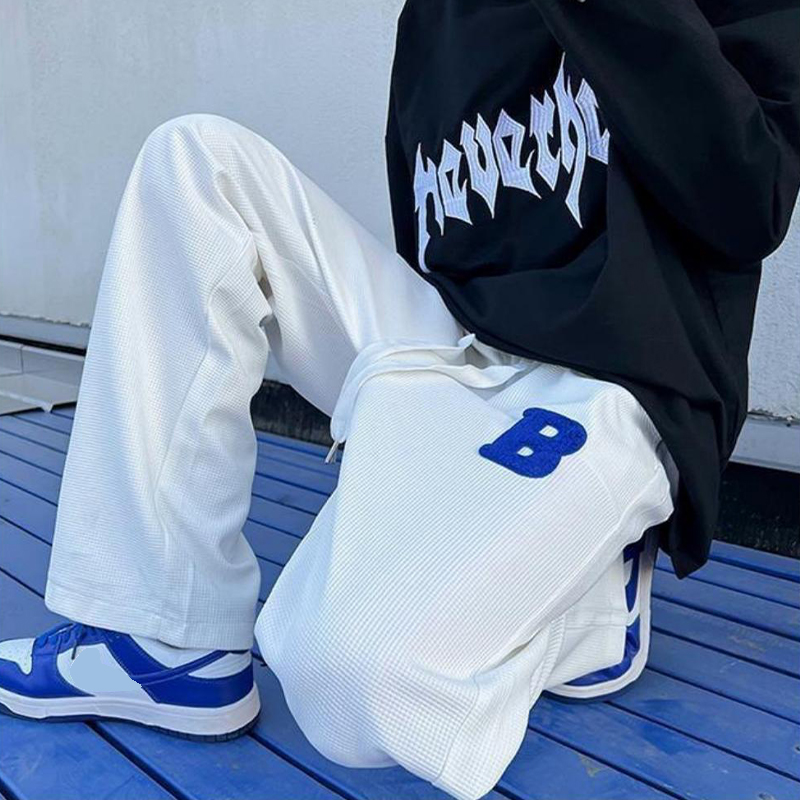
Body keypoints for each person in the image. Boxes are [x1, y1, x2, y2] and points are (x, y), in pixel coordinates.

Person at [1, 1, 799, 798]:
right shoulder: (437, 15)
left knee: (351, 679)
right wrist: (414, 428)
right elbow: (436, 239)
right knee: (195, 164)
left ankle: (592, 599)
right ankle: (169, 640)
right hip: (458, 341)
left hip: (619, 377)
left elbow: (748, 202)